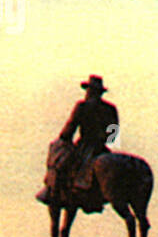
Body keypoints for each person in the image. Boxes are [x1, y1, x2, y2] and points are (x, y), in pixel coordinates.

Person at [36, 75, 119, 206]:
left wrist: (64, 138)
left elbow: (69, 130)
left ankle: (54, 195)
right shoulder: (111, 109)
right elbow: (113, 136)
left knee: (59, 166)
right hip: (102, 149)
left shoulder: (82, 106)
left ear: (90, 91)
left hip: (85, 147)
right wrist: (103, 140)